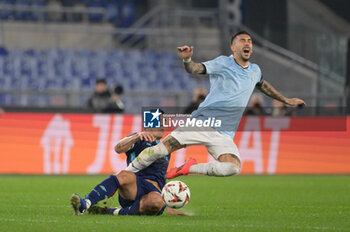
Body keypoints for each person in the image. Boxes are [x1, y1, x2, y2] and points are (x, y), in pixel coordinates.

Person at [125, 31, 306, 179]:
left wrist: (287, 101)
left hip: (224, 133)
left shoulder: (255, 70)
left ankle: (189, 169)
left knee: (232, 167)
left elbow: (263, 85)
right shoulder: (222, 63)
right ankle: (123, 175)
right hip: (202, 122)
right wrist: (187, 60)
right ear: (233, 47)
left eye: (250, 41)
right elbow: (195, 69)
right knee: (158, 151)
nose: (247, 43)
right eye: (242, 40)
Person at [70, 123, 186, 216]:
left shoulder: (164, 148)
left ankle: (110, 211)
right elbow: (118, 148)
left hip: (154, 191)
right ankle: (86, 203)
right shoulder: (139, 139)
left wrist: (166, 205)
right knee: (123, 175)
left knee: (155, 201)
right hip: (134, 186)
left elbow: (161, 176)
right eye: (159, 123)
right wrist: (136, 137)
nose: (162, 126)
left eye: (164, 124)